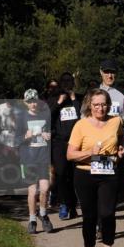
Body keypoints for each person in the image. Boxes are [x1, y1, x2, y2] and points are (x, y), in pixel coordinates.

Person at [67, 88, 124, 247]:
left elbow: (120, 137)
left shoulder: (116, 121)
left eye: (104, 104)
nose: (100, 108)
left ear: (109, 105)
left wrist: (121, 148)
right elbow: (70, 154)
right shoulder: (81, 125)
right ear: (89, 105)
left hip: (109, 172)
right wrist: (89, 153)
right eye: (96, 105)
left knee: (108, 214)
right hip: (85, 174)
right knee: (90, 216)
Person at [19, 89, 53, 234]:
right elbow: (14, 138)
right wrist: (25, 136)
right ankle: (32, 220)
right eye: (30, 101)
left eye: (34, 101)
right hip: (28, 159)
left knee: (45, 189)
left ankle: (43, 215)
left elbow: (52, 132)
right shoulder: (21, 117)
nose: (33, 104)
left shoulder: (45, 115)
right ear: (25, 102)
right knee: (32, 192)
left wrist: (48, 135)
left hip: (43, 157)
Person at [51, 72, 82, 220]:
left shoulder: (79, 98)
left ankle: (73, 205)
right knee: (61, 174)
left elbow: (82, 116)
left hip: (76, 143)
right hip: (59, 142)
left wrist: (74, 99)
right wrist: (59, 102)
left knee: (76, 176)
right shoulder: (54, 98)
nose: (67, 83)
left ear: (73, 83)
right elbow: (48, 116)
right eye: (64, 81)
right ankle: (64, 203)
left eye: (69, 81)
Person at [99, 58, 124, 123]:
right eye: (106, 72)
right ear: (101, 72)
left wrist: (118, 124)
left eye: (112, 72)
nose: (110, 76)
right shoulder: (92, 92)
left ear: (116, 73)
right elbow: (84, 116)